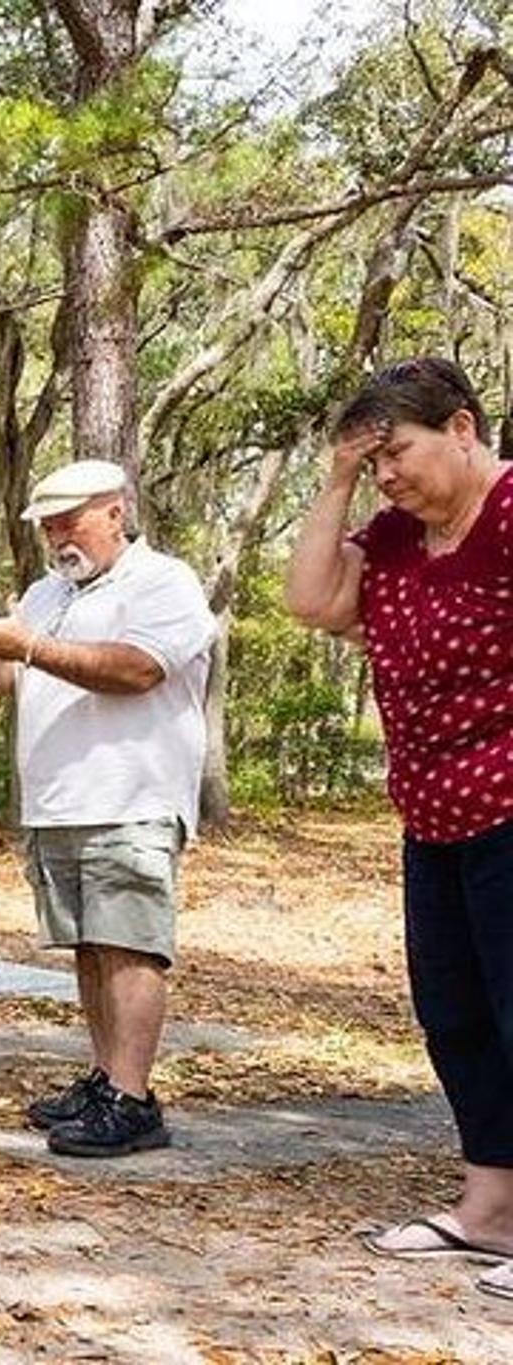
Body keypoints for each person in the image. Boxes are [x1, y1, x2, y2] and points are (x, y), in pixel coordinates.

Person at [284, 358, 513, 1293]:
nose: (388, 475)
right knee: (455, 1013)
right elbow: (311, 601)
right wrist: (337, 480)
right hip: (433, 810)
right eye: (372, 464)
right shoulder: (393, 538)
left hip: (510, 800)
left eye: (397, 452)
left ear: (462, 428)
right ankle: (491, 1208)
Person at [0, 459, 214, 1158]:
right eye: (47, 524)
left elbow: (138, 669)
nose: (57, 535)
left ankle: (133, 1098)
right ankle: (104, 1078)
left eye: (71, 519)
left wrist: (29, 644)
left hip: (131, 794)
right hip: (57, 800)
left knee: (130, 943)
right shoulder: (43, 594)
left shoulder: (164, 582)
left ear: (115, 512)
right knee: (91, 945)